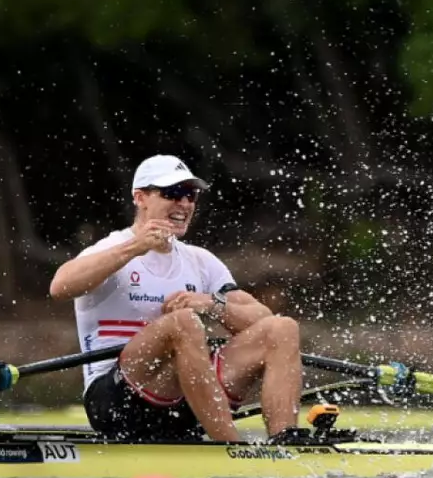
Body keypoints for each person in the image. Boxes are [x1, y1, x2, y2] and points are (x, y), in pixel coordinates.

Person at [49, 154, 306, 443]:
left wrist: (211, 304)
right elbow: (60, 287)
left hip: (186, 399)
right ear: (141, 197)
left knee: (283, 328)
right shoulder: (112, 248)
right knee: (182, 322)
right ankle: (231, 445)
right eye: (172, 193)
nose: (184, 204)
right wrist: (136, 247)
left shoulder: (200, 261)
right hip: (116, 403)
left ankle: (287, 440)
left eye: (190, 195)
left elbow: (263, 319)